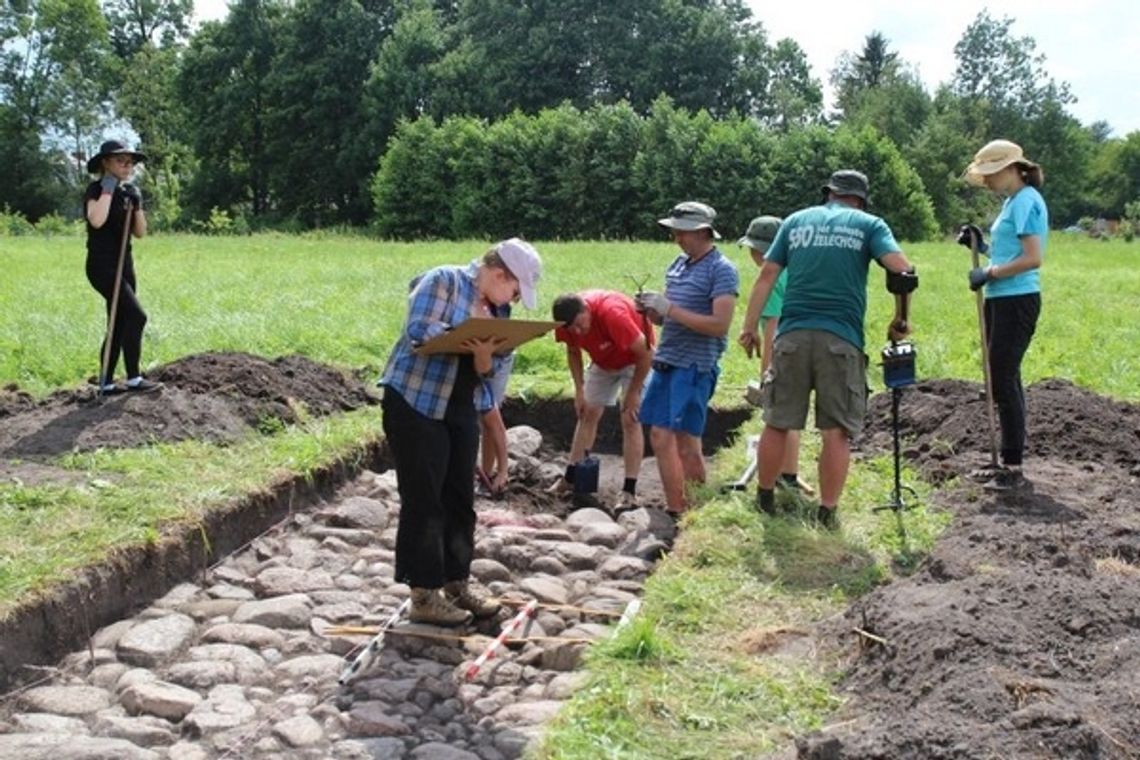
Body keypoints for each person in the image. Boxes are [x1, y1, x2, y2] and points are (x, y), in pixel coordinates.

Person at [379, 238, 542, 625]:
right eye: (515, 290)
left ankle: (457, 581)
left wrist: (484, 358)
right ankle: (423, 594)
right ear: (499, 273)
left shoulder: (498, 308)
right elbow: (420, 330)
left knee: (459, 497)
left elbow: (491, 368)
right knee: (424, 500)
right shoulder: (444, 280)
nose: (515, 299)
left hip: (460, 404)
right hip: (415, 401)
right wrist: (470, 340)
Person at [741, 171, 915, 529]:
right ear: (860, 200)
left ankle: (764, 499)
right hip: (841, 339)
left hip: (790, 336)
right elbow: (903, 270)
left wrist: (748, 328)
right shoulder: (870, 225)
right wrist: (901, 317)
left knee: (777, 422)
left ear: (829, 195)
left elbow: (767, 274)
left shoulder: (795, 221)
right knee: (836, 430)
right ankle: (826, 513)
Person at [636, 202, 739, 518]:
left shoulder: (722, 269)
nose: (676, 238)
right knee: (658, 435)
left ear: (701, 231)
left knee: (686, 441)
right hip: (667, 359)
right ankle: (675, 508)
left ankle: (697, 512)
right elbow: (669, 319)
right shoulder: (677, 265)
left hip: (695, 365)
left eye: (681, 232)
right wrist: (653, 312)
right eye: (675, 231)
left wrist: (670, 310)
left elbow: (719, 325)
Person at [959, 139, 1047, 491]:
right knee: (1003, 376)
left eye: (991, 175)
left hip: (1017, 298)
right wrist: (979, 246)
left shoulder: (1026, 201)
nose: (989, 183)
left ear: (1010, 168)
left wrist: (990, 273)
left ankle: (1013, 468)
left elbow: (1032, 258)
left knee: (1002, 377)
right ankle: (1008, 459)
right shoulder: (1013, 202)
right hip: (1001, 298)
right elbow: (1006, 251)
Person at [546, 290, 655, 512]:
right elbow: (573, 352)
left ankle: (628, 491)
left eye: (579, 324)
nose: (577, 331)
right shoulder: (566, 323)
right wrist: (579, 390)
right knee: (588, 413)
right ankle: (570, 478)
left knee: (630, 418)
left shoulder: (612, 314)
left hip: (636, 360)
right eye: (571, 329)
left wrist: (633, 393)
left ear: (586, 310)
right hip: (603, 361)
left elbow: (646, 353)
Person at [736, 215, 813, 498]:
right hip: (805, 347)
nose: (752, 255)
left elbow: (773, 325)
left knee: (781, 416)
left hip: (785, 350)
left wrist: (766, 371)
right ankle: (789, 475)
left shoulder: (772, 276)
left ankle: (786, 476)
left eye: (754, 249)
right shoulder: (794, 269)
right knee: (791, 416)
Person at [84, 139, 161, 393]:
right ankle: (134, 378)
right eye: (121, 160)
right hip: (102, 265)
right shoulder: (96, 190)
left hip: (125, 264)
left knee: (118, 321)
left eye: (130, 162)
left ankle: (108, 382)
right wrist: (108, 188)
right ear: (106, 163)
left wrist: (137, 204)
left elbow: (140, 233)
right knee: (137, 316)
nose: (127, 165)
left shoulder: (129, 192)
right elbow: (96, 220)